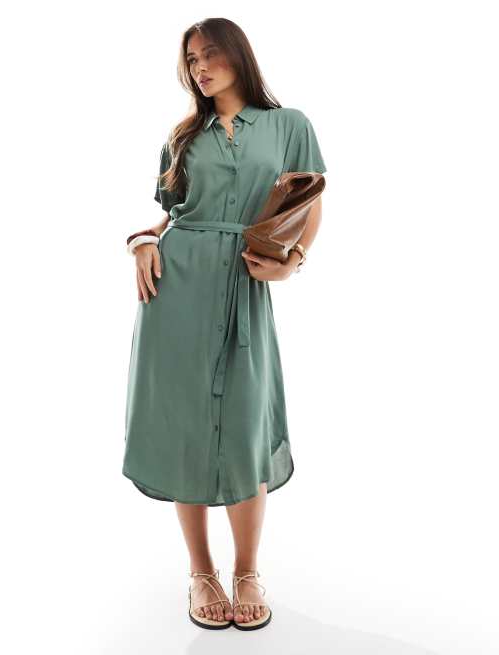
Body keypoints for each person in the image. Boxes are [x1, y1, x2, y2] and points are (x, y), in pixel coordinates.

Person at [122, 17, 327, 631]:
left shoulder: (289, 126)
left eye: (210, 54)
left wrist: (292, 261)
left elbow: (310, 203)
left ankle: (247, 571)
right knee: (187, 426)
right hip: (177, 291)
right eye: (191, 59)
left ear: (238, 55)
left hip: (244, 286)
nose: (200, 67)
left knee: (244, 425)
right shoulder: (183, 136)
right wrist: (140, 240)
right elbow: (171, 215)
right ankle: (201, 572)